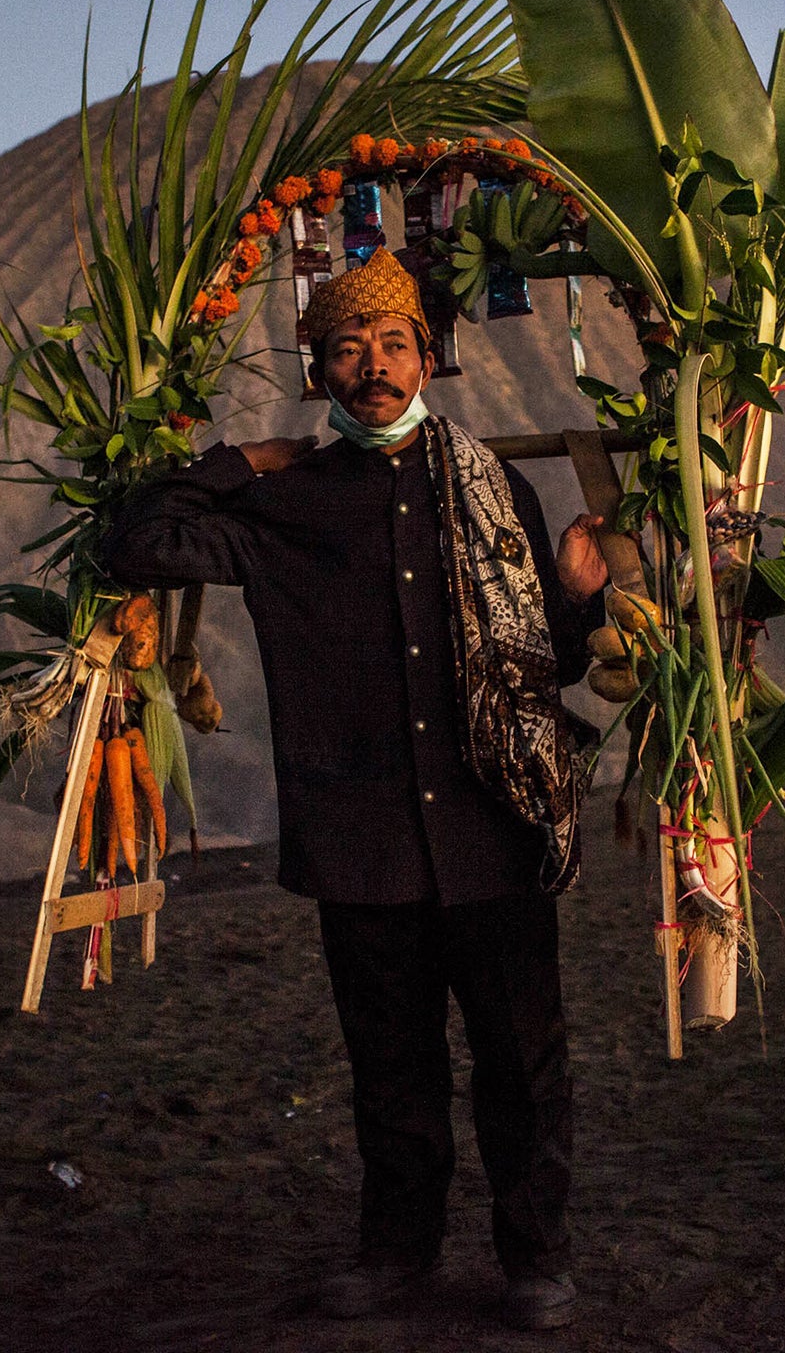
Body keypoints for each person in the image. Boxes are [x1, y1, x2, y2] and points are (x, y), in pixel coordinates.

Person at [99, 249, 606, 1330]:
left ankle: (535, 1260)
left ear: (427, 354)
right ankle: (396, 1254)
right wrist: (241, 460)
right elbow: (136, 544)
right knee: (391, 1066)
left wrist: (567, 595)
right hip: (361, 839)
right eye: (344, 349)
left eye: (389, 343)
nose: (370, 365)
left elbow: (547, 665)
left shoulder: (491, 488)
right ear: (318, 372)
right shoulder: (293, 502)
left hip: (492, 827)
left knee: (523, 1063)